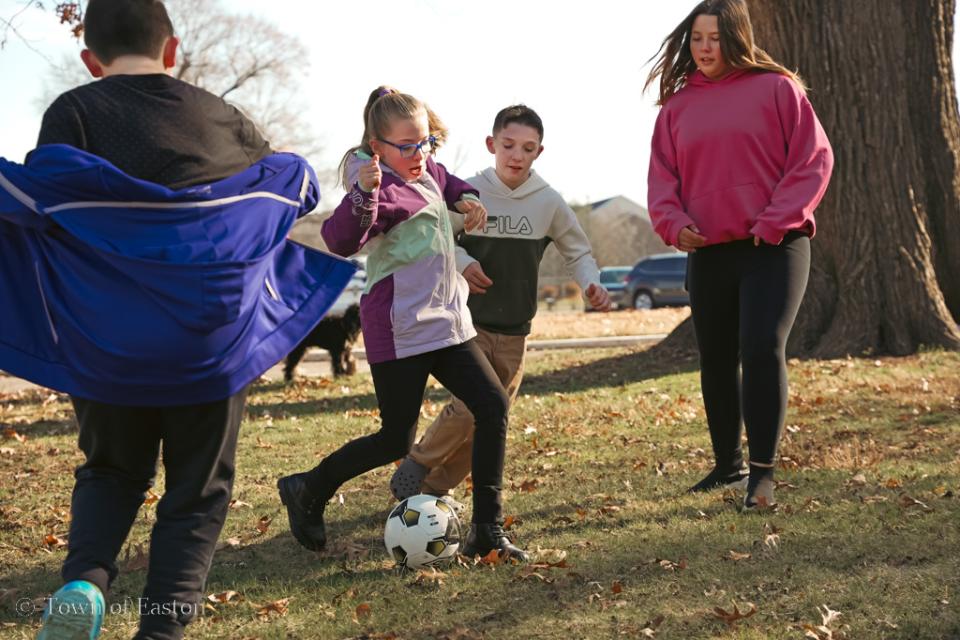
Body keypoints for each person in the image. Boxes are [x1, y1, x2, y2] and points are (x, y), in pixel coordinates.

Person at [2, 2, 352, 639]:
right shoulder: (222, 116)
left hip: (108, 342)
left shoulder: (72, 113)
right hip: (210, 346)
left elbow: (49, 207)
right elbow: (292, 187)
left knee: (111, 470)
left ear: (90, 58)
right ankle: (161, 630)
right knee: (196, 493)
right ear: (172, 50)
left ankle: (84, 582)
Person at [276, 87, 530, 562]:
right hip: (400, 329)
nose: (420, 154)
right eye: (407, 147)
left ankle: (487, 531)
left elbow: (450, 182)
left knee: (493, 405)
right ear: (378, 146)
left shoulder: (427, 170)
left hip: (448, 323)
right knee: (395, 439)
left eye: (425, 142)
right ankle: (308, 487)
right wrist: (365, 192)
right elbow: (340, 239)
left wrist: (471, 200)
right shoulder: (379, 190)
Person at [645, 0, 833, 509]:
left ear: (737, 37)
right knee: (717, 359)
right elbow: (663, 179)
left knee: (761, 347)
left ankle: (763, 474)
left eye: (715, 37)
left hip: (774, 245)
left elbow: (813, 161)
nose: (704, 48)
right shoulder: (677, 108)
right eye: (697, 38)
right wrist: (674, 224)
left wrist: (775, 222)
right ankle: (726, 466)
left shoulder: (777, 89)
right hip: (709, 251)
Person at [389, 104, 611, 503]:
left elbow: (578, 252)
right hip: (465, 325)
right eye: (508, 145)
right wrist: (464, 261)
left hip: (516, 331)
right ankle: (419, 462)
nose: (516, 156)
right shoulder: (467, 192)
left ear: (539, 153)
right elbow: (433, 239)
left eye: (528, 148)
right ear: (492, 144)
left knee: (493, 419)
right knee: (473, 406)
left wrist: (591, 284)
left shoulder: (548, 201)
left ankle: (432, 492)